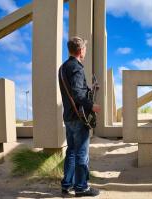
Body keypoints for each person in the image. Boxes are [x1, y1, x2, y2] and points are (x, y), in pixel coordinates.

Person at [59, 36, 101, 197]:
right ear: (81, 50)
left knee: (71, 151)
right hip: (78, 117)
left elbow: (75, 90)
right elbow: (77, 93)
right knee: (81, 153)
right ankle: (81, 188)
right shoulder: (76, 68)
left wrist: (91, 89)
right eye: (84, 49)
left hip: (69, 116)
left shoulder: (63, 68)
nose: (85, 51)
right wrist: (92, 106)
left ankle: (66, 185)